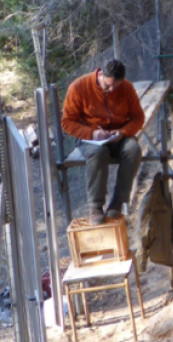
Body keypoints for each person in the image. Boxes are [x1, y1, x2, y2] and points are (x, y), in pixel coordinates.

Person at [61, 59, 146, 225]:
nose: (112, 90)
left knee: (133, 149)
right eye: (107, 86)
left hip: (119, 136)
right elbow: (67, 122)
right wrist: (92, 133)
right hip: (90, 139)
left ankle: (118, 202)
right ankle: (96, 206)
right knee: (98, 153)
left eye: (116, 86)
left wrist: (122, 132)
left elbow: (138, 118)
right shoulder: (78, 87)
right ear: (100, 74)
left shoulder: (127, 88)